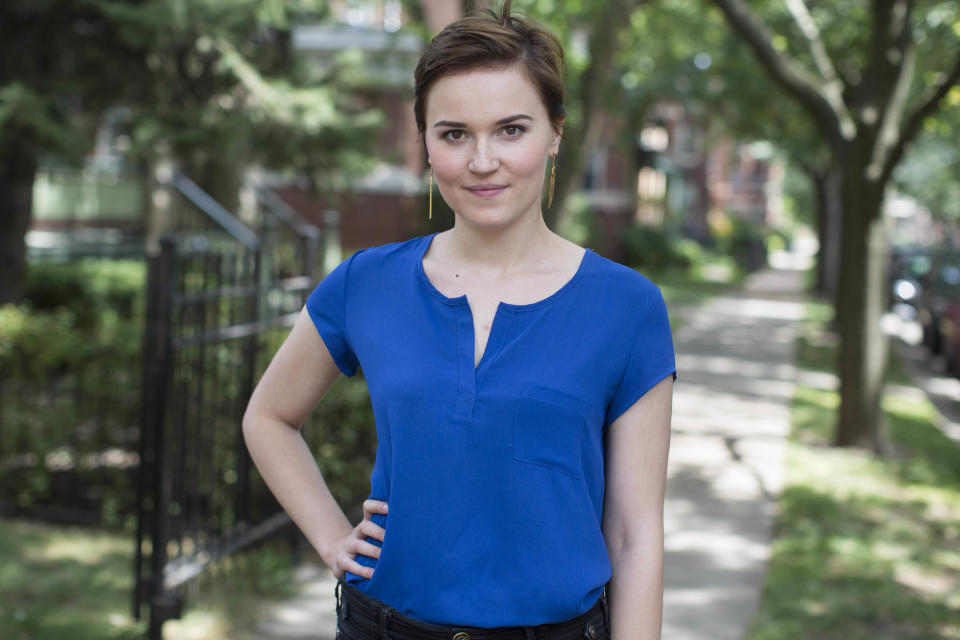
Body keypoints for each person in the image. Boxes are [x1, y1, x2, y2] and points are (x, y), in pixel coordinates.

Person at [242, 2, 676, 638]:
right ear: (424, 144)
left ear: (555, 132)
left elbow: (636, 536)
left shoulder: (628, 308)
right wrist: (333, 538)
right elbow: (269, 417)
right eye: (454, 134)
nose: (481, 160)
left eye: (510, 130)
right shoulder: (366, 283)